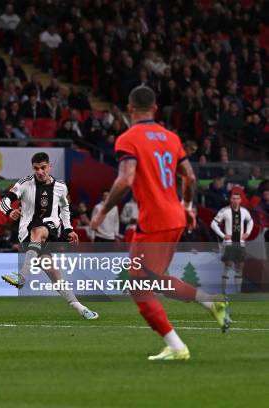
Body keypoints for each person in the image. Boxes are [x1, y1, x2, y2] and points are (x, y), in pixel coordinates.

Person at [90, 86, 228, 361]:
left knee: (137, 286)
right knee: (157, 280)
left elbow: (126, 178)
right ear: (155, 108)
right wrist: (188, 207)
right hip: (176, 215)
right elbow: (189, 177)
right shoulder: (171, 138)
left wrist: (103, 211)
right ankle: (212, 302)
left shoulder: (128, 139)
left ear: (130, 109)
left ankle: (176, 346)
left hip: (154, 221)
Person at [0, 152, 99, 320]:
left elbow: (65, 209)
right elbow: (4, 201)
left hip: (49, 228)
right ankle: (80, 308)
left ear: (49, 166)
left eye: (43, 168)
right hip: (26, 235)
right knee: (53, 272)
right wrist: (10, 211)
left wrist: (68, 229)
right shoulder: (24, 184)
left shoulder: (60, 186)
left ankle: (22, 275)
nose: (40, 171)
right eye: (36, 168)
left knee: (41, 229)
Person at [210, 192, 254, 294]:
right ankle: (223, 292)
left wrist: (247, 233)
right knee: (228, 265)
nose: (235, 200)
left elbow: (250, 221)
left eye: (237, 199)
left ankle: (237, 292)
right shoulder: (224, 211)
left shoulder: (244, 211)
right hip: (229, 243)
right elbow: (213, 224)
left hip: (240, 243)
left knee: (240, 266)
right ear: (231, 200)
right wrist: (223, 235)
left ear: (240, 200)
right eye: (233, 198)